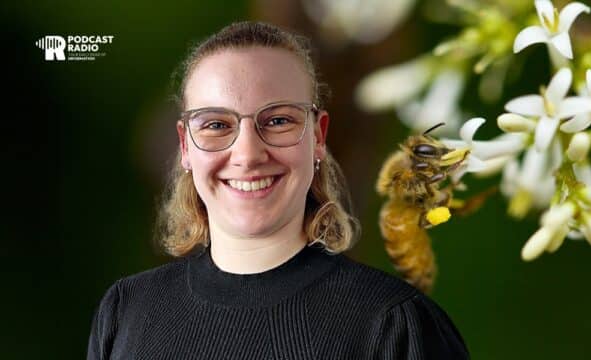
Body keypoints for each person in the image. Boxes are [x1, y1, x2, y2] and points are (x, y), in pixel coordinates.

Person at [86, 21, 470, 359]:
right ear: (185, 146)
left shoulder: (394, 324)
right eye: (216, 125)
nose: (248, 154)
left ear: (318, 137)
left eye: (278, 120)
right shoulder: (125, 311)